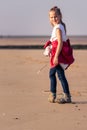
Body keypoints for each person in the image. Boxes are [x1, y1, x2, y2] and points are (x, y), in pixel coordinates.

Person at [43, 6, 74, 103]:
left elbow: (60, 43)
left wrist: (56, 57)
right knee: (52, 74)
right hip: (56, 54)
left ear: (60, 16)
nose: (54, 19)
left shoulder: (58, 27)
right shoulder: (59, 26)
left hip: (58, 55)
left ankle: (66, 96)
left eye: (56, 16)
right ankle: (53, 94)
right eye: (51, 17)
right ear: (49, 18)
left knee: (60, 75)